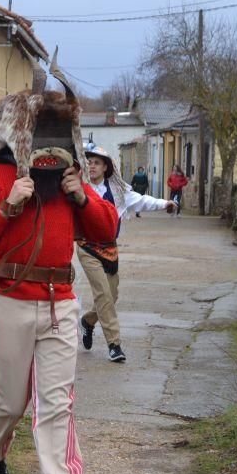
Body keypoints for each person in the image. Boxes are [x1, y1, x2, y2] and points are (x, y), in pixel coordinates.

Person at [0, 79, 119, 474]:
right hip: (7, 301)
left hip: (60, 305)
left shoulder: (71, 183)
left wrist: (81, 195)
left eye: (59, 138)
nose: (52, 148)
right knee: (9, 401)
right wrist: (8, 206)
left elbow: (107, 232)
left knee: (56, 406)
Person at [78, 146, 177, 362]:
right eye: (89, 162)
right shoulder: (78, 189)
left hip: (110, 247)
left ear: (106, 167)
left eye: (96, 162)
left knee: (112, 296)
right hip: (86, 246)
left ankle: (87, 321)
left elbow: (142, 201)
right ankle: (114, 345)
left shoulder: (118, 190)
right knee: (103, 294)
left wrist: (165, 204)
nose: (91, 166)